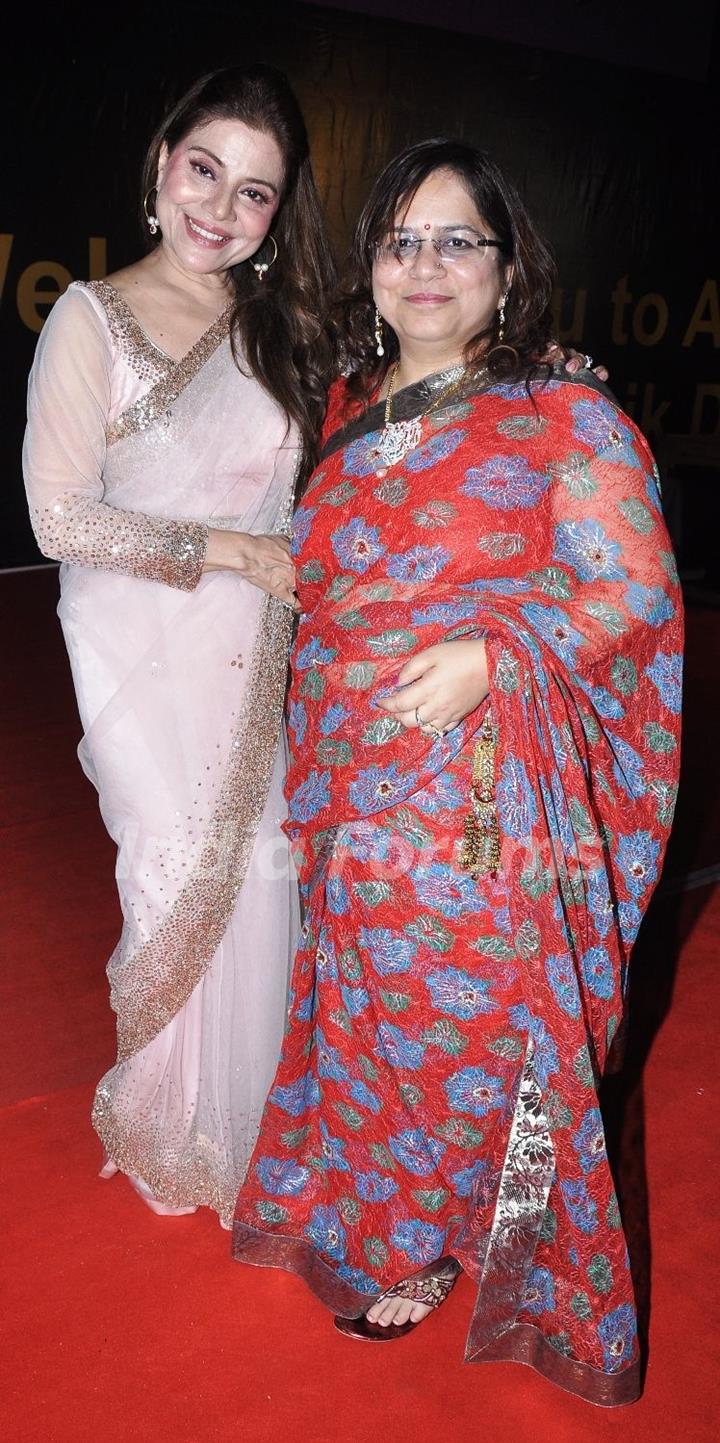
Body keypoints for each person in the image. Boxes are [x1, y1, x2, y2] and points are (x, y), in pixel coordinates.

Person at [231, 138, 682, 1404]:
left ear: (506, 264)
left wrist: (499, 652)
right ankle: (403, 1223)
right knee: (373, 1015)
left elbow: (632, 587)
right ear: (370, 261)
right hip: (341, 775)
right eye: (400, 240)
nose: (425, 267)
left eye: (457, 241)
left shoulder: (564, 412)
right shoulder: (344, 405)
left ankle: (493, 1239)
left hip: (479, 795)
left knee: (485, 1028)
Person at [22, 65, 335, 1225]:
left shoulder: (279, 328)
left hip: (257, 661)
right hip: (139, 653)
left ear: (276, 213)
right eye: (207, 170)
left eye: (256, 193)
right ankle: (171, 1117)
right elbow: (61, 518)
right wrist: (232, 552)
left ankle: (250, 1113)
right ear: (162, 163)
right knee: (170, 872)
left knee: (261, 874)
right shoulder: (89, 317)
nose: (222, 207)